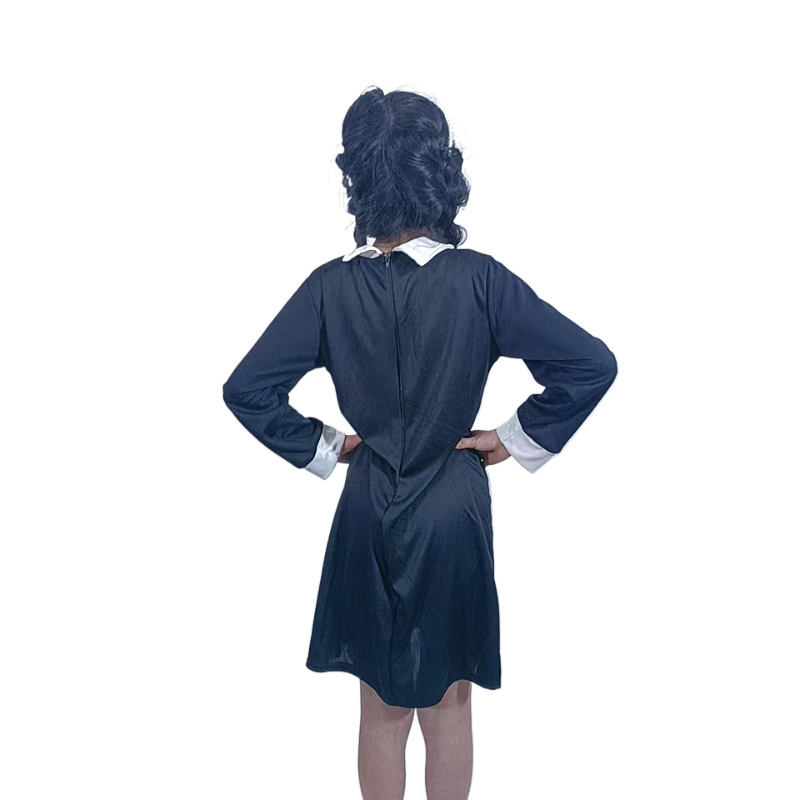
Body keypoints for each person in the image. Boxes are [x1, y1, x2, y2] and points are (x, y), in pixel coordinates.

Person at [222, 85, 617, 800]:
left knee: (379, 709)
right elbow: (590, 363)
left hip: (369, 500)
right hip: (451, 505)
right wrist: (513, 438)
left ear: (359, 177)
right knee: (449, 703)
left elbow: (247, 388)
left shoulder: (330, 289)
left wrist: (329, 446)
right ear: (439, 170)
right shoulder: (480, 280)